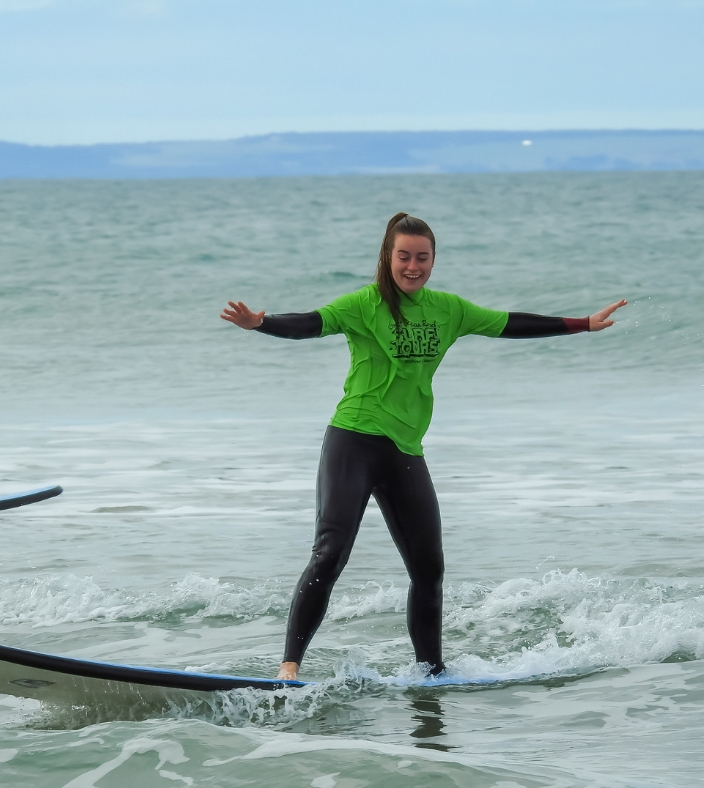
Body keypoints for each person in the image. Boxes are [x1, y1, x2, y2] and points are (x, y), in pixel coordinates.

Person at [220, 212, 626, 681]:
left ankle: (431, 675)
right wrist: (261, 322)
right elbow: (312, 323)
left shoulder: (447, 309)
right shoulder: (364, 303)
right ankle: (289, 667)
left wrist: (583, 324)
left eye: (422, 258)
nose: (413, 266)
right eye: (403, 256)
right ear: (387, 258)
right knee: (330, 552)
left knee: (428, 569)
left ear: (433, 261)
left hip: (405, 451)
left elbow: (508, 323)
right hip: (353, 439)